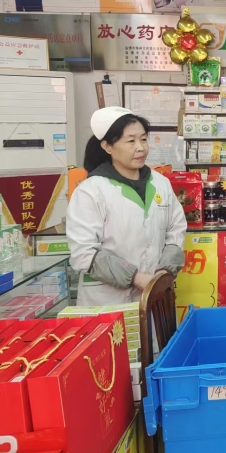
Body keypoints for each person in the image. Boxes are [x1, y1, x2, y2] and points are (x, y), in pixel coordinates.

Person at [66, 107, 186, 307]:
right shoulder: (91, 191)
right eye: (131, 141)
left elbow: (176, 231)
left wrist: (163, 272)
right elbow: (84, 253)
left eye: (144, 139)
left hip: (154, 296)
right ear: (107, 146)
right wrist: (137, 278)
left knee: (152, 329)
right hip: (108, 302)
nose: (140, 148)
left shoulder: (160, 183)